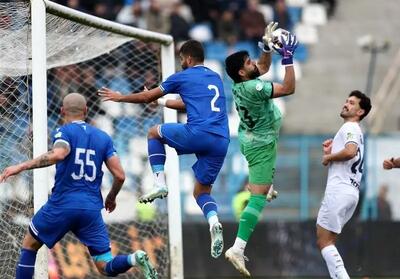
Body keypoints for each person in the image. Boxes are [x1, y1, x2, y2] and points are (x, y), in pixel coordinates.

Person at [0, 93, 157, 279]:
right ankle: (133, 259)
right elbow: (121, 176)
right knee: (104, 265)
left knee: (30, 245)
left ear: (62, 111)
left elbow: (59, 154)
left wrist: (21, 166)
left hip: (63, 204)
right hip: (91, 208)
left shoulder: (64, 132)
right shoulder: (103, 137)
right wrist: (111, 197)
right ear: (86, 111)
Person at [98, 39, 230, 259]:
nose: (181, 63)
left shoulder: (183, 76)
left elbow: (148, 95)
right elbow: (191, 103)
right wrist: (162, 104)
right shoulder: (214, 77)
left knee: (153, 132)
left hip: (199, 133)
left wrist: (120, 97)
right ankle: (214, 221)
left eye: (181, 60)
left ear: (187, 58)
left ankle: (159, 183)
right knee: (202, 192)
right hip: (221, 140)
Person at [224, 22, 298, 277]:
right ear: (242, 73)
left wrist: (266, 47)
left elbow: (263, 66)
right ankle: (237, 247)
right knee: (257, 198)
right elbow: (289, 88)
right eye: (247, 62)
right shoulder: (253, 88)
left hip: (251, 137)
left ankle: (263, 186)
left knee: (262, 186)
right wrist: (287, 58)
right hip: (261, 143)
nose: (252, 63)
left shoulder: (243, 82)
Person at [317, 90, 371, 279]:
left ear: (360, 112)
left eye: (352, 103)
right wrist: (333, 151)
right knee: (330, 240)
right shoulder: (357, 131)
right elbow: (350, 154)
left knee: (324, 241)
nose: (346, 104)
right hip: (351, 192)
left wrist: (328, 157)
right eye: (346, 101)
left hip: (339, 190)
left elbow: (350, 152)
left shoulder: (350, 127)